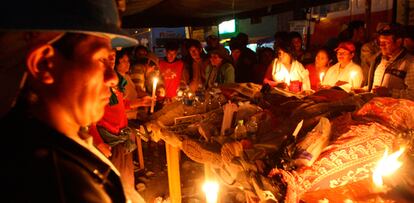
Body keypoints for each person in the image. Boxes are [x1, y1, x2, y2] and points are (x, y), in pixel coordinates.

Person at [0, 0, 138, 202]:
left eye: (111, 60)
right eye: (101, 59)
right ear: (44, 64)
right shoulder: (59, 186)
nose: (113, 78)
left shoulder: (56, 145)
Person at [367, 24, 414, 100]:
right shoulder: (379, 60)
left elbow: (412, 94)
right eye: (380, 42)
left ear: (398, 42)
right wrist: (365, 89)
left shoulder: (410, 63)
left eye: (386, 42)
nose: (381, 46)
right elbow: (376, 89)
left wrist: (390, 92)